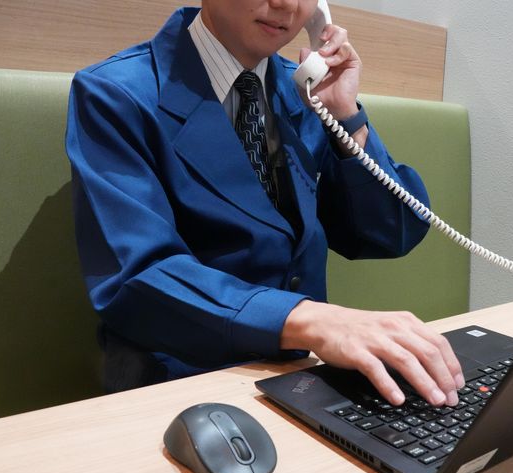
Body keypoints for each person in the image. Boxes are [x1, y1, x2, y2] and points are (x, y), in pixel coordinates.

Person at [65, 0, 463, 407]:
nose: (287, 4)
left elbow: (391, 234)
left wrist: (347, 118)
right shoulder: (116, 94)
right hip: (178, 380)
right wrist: (313, 320)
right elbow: (139, 277)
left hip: (301, 377)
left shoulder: (304, 90)